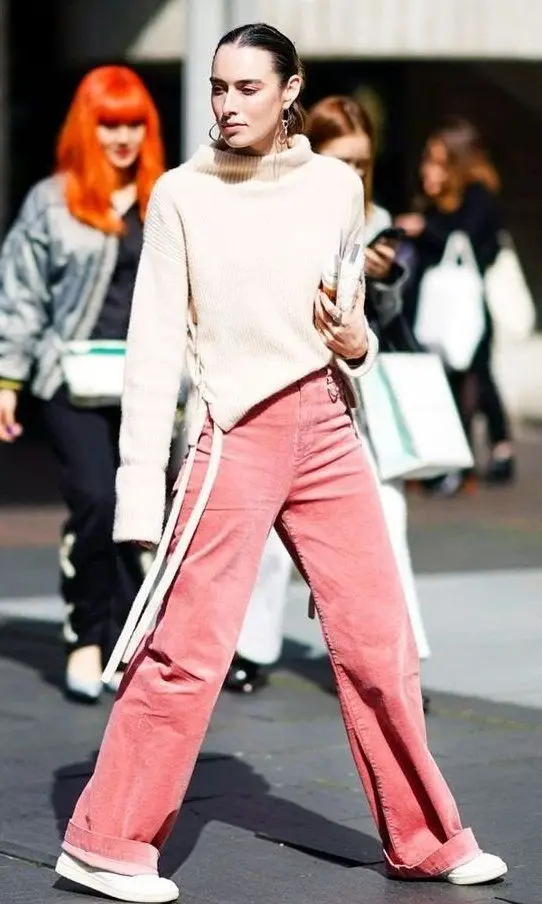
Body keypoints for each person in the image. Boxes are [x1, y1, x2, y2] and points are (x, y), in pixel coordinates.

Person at [55, 25, 507, 903]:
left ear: (290, 90)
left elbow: (349, 318)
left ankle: (426, 840)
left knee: (381, 642)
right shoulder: (181, 196)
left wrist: (358, 341)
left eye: (248, 88)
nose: (228, 105)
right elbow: (153, 349)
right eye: (218, 88)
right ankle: (104, 843)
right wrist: (140, 492)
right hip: (236, 431)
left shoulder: (335, 186)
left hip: (330, 429)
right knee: (187, 652)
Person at [226, 95, 431, 711]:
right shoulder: (282, 208)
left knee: (388, 518)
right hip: (284, 391)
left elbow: (385, 322)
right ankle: (252, 648)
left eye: (364, 162)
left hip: (355, 401)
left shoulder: (377, 216)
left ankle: (399, 661)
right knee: (270, 535)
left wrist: (385, 279)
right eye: (344, 160)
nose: (355, 174)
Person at [0, 66, 165, 702]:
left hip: (149, 381)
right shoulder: (52, 200)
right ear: (85, 128)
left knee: (140, 511)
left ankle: (126, 636)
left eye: (133, 124)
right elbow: (20, 293)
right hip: (70, 379)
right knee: (95, 497)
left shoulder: (166, 196)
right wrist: (8, 378)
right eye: (108, 124)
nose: (122, 137)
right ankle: (87, 633)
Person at [396, 116, 514, 493]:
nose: (428, 169)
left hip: (465, 309)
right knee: (451, 381)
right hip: (435, 311)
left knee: (476, 376)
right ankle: (456, 460)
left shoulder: (478, 197)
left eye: (439, 161)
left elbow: (473, 244)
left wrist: (425, 230)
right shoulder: (434, 200)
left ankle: (493, 450)